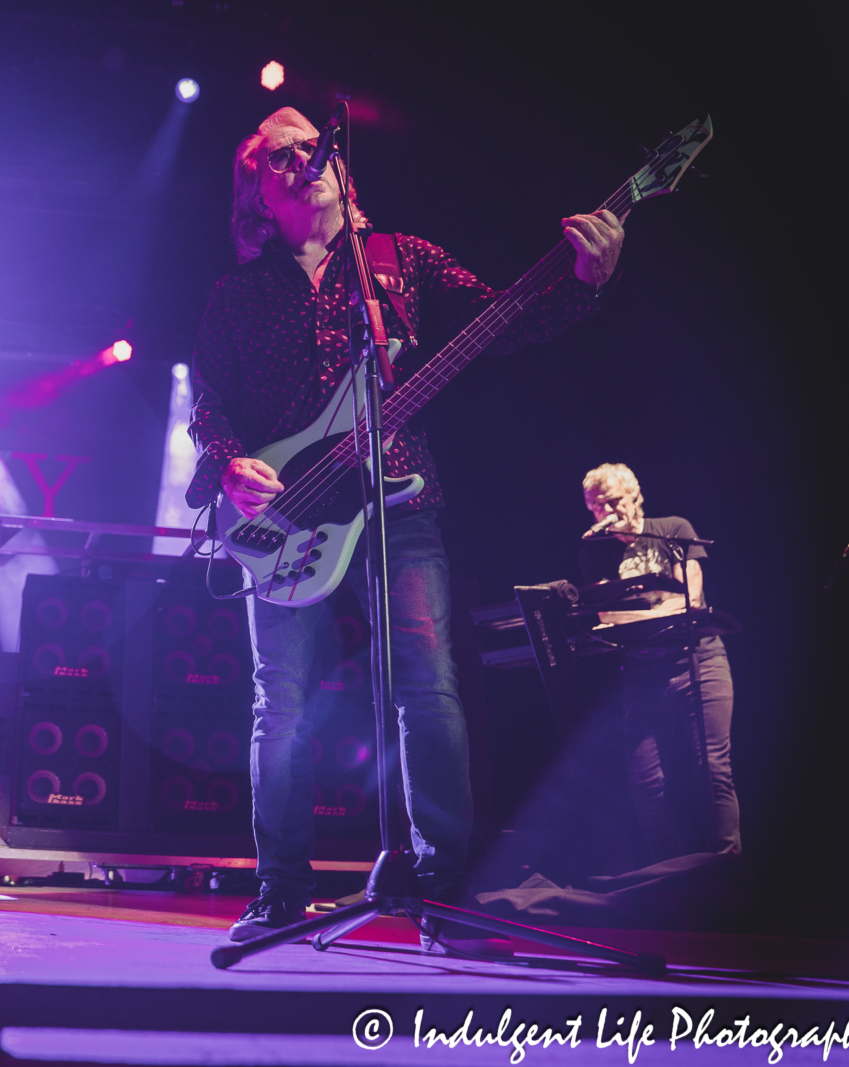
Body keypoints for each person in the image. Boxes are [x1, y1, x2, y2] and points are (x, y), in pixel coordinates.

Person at [186, 107, 626, 944]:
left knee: (428, 684)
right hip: (285, 519)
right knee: (279, 701)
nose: (303, 159)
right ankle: (280, 890)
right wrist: (233, 464)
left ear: (344, 174)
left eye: (315, 148)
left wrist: (585, 281)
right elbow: (209, 408)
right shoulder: (235, 297)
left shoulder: (399, 262)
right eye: (280, 156)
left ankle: (441, 888)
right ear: (256, 198)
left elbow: (506, 319)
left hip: (399, 500)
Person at [577, 462, 740, 861]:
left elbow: (692, 598)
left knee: (712, 767)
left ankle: (725, 864)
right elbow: (606, 618)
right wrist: (655, 608)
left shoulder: (672, 530)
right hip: (642, 674)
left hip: (698, 661)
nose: (607, 512)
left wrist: (638, 613)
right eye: (596, 507)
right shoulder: (596, 554)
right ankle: (667, 871)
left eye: (613, 501)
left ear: (634, 496)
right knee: (644, 779)